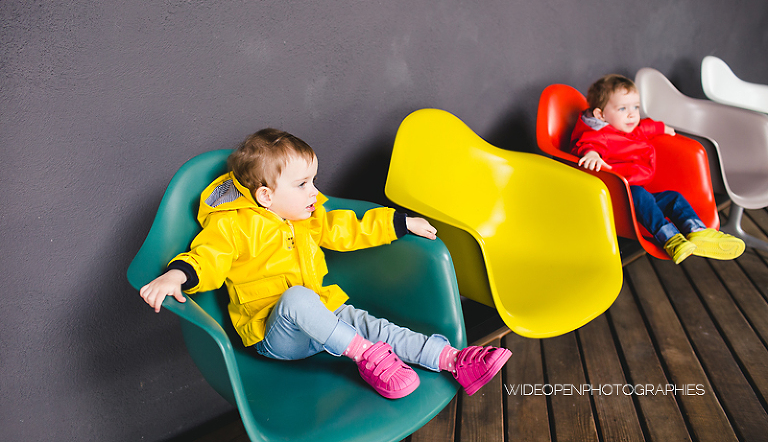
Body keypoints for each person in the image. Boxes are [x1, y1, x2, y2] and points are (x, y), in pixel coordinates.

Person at [140, 128, 510, 399]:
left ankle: (452, 359)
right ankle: (367, 358)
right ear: (266, 196)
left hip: (324, 318)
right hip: (273, 336)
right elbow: (208, 257)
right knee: (299, 300)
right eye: (302, 184)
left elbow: (345, 225)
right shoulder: (233, 225)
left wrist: (399, 223)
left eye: (313, 180)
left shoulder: (309, 214)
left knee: (375, 326)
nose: (315, 192)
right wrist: (176, 275)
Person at [571, 74, 745, 264]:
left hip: (638, 195)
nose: (632, 114)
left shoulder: (623, 128)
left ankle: (698, 232)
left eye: (635, 107)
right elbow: (588, 143)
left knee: (674, 198)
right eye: (622, 108)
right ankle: (669, 238)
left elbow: (644, 128)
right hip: (619, 198)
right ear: (600, 115)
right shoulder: (599, 135)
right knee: (639, 194)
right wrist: (592, 154)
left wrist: (662, 128)